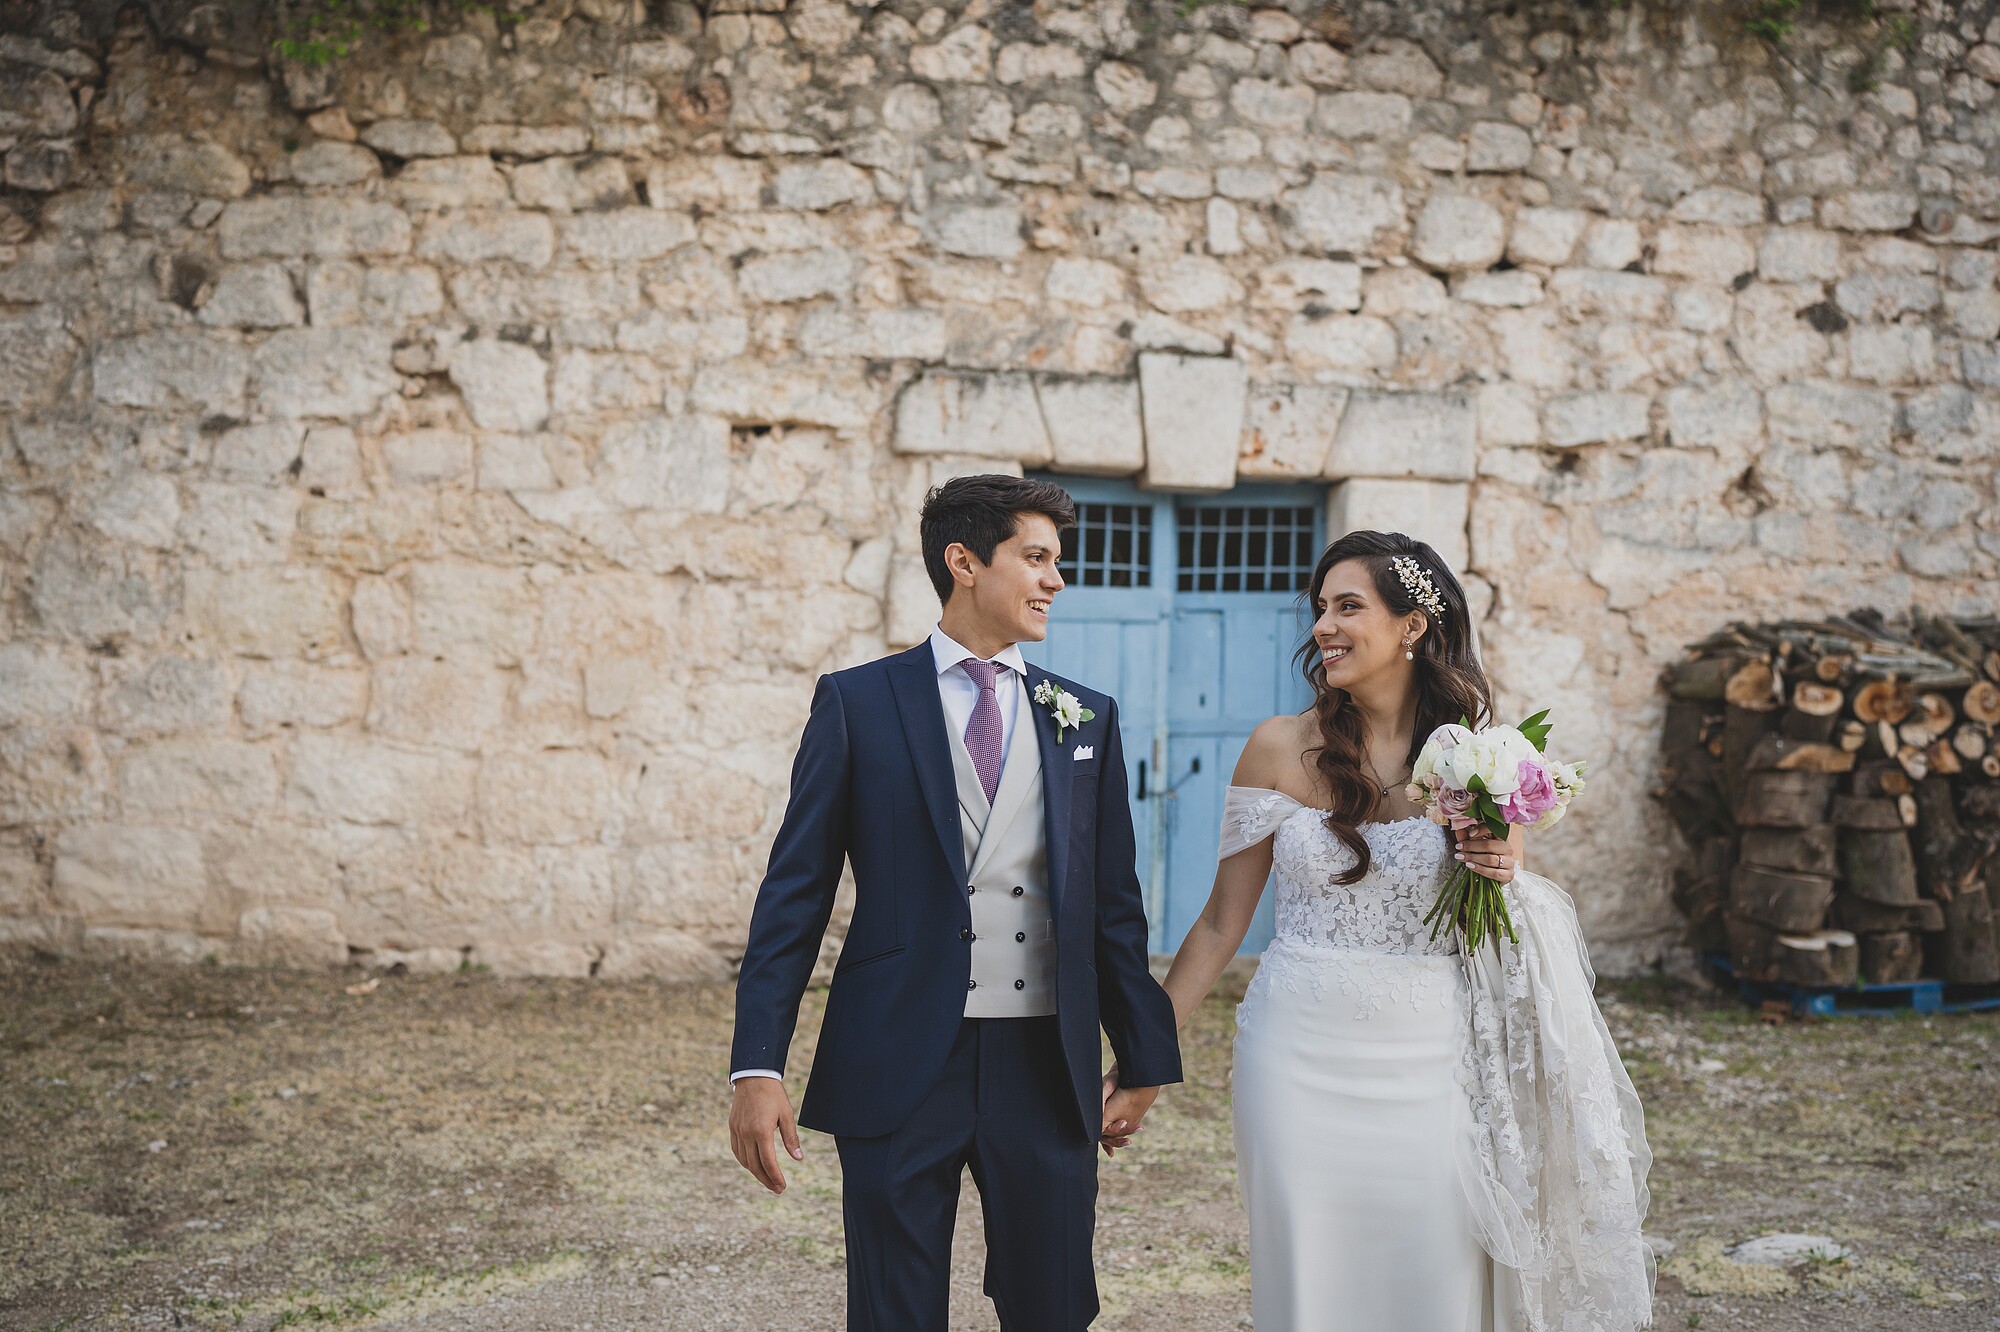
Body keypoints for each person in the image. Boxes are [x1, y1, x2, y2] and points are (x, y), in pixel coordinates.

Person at [1152, 529, 1654, 1332]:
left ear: (1412, 625)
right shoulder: (1278, 747)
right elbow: (1219, 922)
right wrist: (1145, 1059)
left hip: (1433, 1059)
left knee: (1431, 1279)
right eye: (1320, 608)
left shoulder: (1484, 757)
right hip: (1296, 1056)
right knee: (1309, 1278)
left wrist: (1503, 859)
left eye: (1347, 606)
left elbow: (1507, 905)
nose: (1323, 626)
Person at [727, 473, 1182, 1331]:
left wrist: (1145, 1055)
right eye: (1036, 557)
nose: (1056, 580)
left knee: (1052, 1307)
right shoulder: (858, 703)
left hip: (1044, 1065)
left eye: (1058, 561)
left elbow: (1113, 908)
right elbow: (794, 893)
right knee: (893, 1312)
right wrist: (757, 1065)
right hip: (898, 1053)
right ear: (963, 560)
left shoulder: (1085, 717)